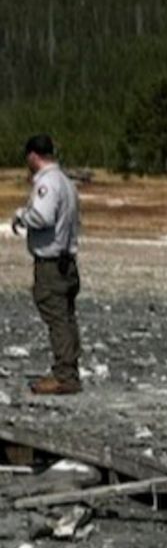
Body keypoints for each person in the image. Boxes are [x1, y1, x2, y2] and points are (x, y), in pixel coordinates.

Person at [11, 134, 83, 395]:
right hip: (67, 260)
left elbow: (42, 216)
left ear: (33, 155)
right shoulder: (65, 181)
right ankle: (69, 368)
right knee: (66, 317)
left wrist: (21, 216)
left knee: (56, 318)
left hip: (51, 263)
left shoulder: (47, 183)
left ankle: (65, 376)